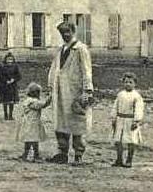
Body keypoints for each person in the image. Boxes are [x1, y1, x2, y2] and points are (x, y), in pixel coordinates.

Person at [46, 21, 94, 165]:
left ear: (73, 31)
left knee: (77, 121)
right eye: (62, 33)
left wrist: (87, 90)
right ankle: (62, 152)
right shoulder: (61, 50)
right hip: (60, 90)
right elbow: (54, 68)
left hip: (75, 91)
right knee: (61, 120)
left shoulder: (81, 49)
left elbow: (87, 71)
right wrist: (50, 86)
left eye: (67, 32)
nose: (65, 35)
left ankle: (78, 154)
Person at [111, 72, 145, 168]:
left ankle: (129, 160)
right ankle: (119, 159)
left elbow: (139, 109)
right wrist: (113, 118)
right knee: (118, 140)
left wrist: (136, 121)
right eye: (126, 82)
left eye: (130, 82)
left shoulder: (136, 96)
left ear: (135, 84)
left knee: (131, 140)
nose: (128, 84)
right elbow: (115, 107)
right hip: (120, 119)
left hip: (130, 120)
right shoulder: (120, 94)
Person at [15, 82, 50, 161]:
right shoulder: (34, 102)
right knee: (34, 140)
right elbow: (43, 105)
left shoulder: (27, 100)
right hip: (33, 123)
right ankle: (35, 155)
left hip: (27, 122)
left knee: (28, 141)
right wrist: (50, 98)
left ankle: (26, 154)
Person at [0, 52, 22, 120]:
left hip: (12, 87)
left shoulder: (15, 67)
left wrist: (13, 80)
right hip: (4, 87)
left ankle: (10, 115)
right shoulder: (2, 67)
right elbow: (0, 76)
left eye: (11, 59)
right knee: (5, 101)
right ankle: (5, 114)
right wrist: (5, 81)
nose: (9, 61)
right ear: (5, 60)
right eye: (8, 59)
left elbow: (19, 76)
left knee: (11, 101)